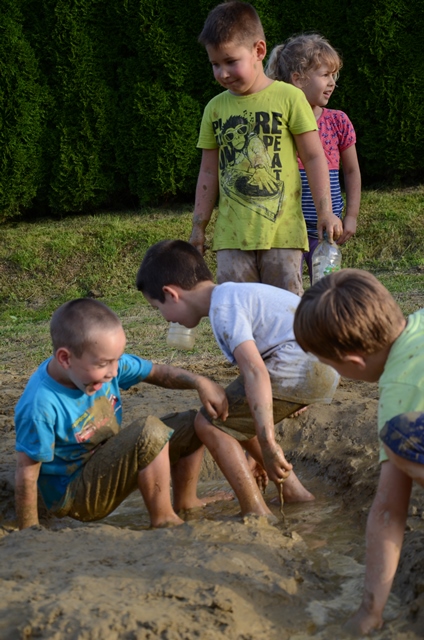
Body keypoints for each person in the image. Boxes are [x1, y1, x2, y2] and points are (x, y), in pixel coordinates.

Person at [136, 240, 339, 518]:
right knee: (232, 411)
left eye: (157, 308)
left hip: (300, 365)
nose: (165, 318)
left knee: (211, 422)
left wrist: (267, 446)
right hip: (321, 362)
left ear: (171, 294)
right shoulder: (232, 295)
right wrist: (254, 455)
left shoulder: (224, 310)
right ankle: (294, 492)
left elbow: (255, 372)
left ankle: (255, 511)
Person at [14, 298, 229, 531]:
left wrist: (199, 382)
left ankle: (187, 503)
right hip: (75, 496)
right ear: (65, 358)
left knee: (190, 424)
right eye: (105, 363)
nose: (114, 371)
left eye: (117, 359)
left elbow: (158, 372)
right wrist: (30, 531)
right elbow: (27, 473)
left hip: (106, 464)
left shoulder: (102, 365)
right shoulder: (40, 405)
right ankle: (164, 519)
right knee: (149, 431)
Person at [293, 268, 424, 635]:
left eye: (328, 364)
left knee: (401, 445)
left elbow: (387, 511)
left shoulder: (399, 394)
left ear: (352, 362)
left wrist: (369, 612)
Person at [189, 1, 343, 296]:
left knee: (285, 317)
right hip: (231, 239)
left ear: (258, 51)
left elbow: (313, 157)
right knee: (239, 315)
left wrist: (326, 212)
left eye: (230, 61)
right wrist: (199, 225)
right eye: (214, 64)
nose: (222, 73)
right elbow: (208, 171)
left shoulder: (289, 98)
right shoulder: (214, 109)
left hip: (282, 236)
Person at [266, 33, 361, 281]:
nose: (332, 83)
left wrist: (350, 215)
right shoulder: (277, 124)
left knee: (326, 293)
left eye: (334, 75)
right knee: (288, 297)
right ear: (298, 80)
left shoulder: (338, 121)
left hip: (326, 233)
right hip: (285, 234)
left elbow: (351, 171)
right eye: (325, 75)